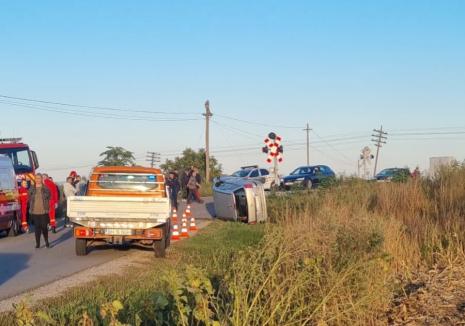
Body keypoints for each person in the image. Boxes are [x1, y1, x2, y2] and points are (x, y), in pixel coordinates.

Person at [28, 174, 51, 248]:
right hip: (35, 211)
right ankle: (37, 243)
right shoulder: (32, 188)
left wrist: (43, 192)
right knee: (37, 228)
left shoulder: (45, 188)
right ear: (35, 179)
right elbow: (29, 196)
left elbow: (48, 196)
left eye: (39, 178)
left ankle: (46, 241)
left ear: (41, 179)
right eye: (36, 178)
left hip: (44, 211)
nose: (38, 180)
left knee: (44, 227)